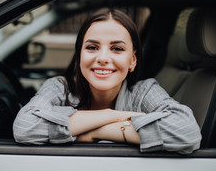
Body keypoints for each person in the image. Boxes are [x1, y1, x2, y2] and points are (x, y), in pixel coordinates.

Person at [13, 8, 201, 154]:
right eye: (92, 47)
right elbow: (24, 127)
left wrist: (95, 132)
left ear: (132, 61)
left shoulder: (143, 91)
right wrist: (114, 115)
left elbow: (187, 131)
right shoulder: (59, 87)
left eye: (117, 49)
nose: (103, 58)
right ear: (79, 57)